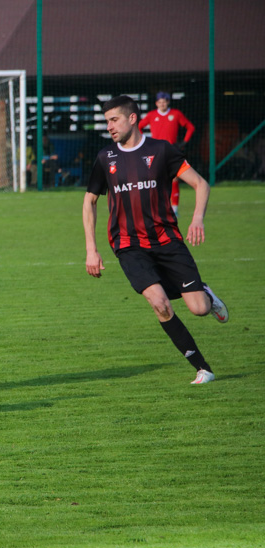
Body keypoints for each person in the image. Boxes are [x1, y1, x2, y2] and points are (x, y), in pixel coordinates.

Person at [83, 95, 228, 386]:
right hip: (128, 246)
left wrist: (197, 218)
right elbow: (90, 202)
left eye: (114, 120)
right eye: (107, 121)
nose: (109, 126)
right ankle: (202, 368)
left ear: (132, 118)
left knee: (198, 308)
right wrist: (91, 249)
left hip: (167, 241)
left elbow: (200, 184)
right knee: (160, 303)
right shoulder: (105, 158)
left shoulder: (161, 151)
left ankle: (206, 295)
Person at [138, 91, 195, 215]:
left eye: (165, 101)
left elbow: (190, 127)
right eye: (160, 102)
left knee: (174, 178)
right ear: (156, 103)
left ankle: (174, 209)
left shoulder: (176, 114)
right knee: (154, 178)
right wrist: (145, 141)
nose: (162, 104)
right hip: (155, 150)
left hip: (171, 150)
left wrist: (184, 143)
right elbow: (139, 127)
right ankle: (156, 206)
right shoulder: (151, 115)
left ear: (168, 102)